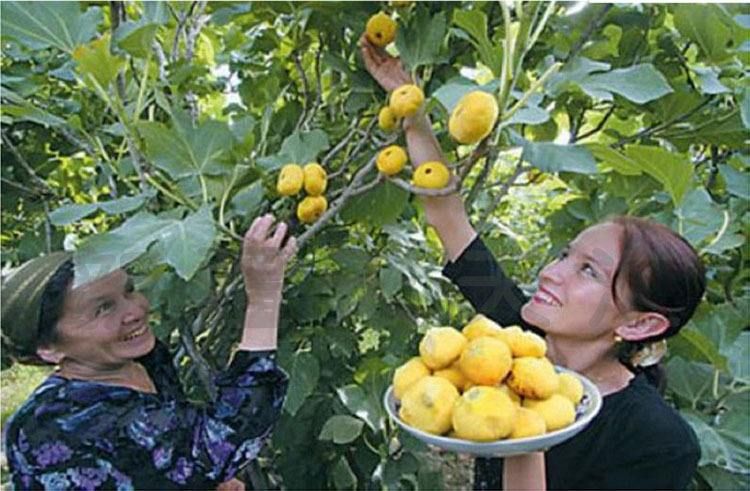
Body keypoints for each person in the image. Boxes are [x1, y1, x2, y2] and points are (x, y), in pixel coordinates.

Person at [361, 37, 705, 490]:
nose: (550, 272)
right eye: (566, 255)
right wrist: (411, 106)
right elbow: (448, 216)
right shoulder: (515, 336)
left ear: (641, 325)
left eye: (589, 270)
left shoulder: (657, 441)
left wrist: (522, 435)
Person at [1, 214, 296, 490]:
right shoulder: (52, 424)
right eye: (103, 308)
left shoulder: (139, 362)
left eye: (129, 290)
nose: (135, 310)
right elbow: (220, 442)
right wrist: (263, 300)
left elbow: (176, 453)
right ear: (49, 349)